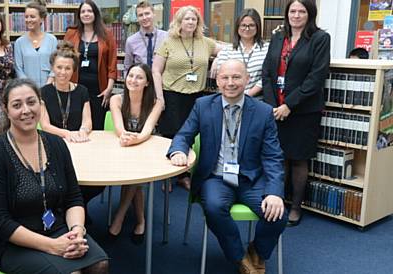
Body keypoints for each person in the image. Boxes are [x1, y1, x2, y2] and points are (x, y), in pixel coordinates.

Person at [0, 78, 109, 274]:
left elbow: (73, 197)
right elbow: (0, 222)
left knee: (100, 266)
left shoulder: (56, 144)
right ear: (6, 110)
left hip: (56, 226)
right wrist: (52, 246)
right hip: (12, 239)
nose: (26, 110)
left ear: (41, 104)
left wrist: (77, 231)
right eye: (17, 105)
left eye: (31, 102)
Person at [168, 60, 286, 274]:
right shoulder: (203, 105)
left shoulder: (263, 112)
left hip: (251, 178)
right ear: (217, 81)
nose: (230, 83)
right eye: (225, 78)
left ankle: (257, 251)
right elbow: (184, 135)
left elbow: (273, 157)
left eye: (236, 77)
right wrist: (178, 151)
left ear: (247, 79)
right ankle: (239, 257)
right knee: (213, 208)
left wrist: (275, 192)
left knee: (278, 213)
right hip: (216, 177)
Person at [262, 0, 330, 226]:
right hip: (275, 109)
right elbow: (267, 73)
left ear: (310, 14)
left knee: (299, 159)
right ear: (287, 13)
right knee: (278, 157)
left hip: (303, 111)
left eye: (302, 11)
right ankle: (277, 201)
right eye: (293, 11)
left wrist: (289, 105)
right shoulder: (278, 37)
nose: (297, 15)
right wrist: (272, 104)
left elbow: (316, 77)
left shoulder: (320, 39)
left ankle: (296, 207)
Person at [152, 5, 221, 191]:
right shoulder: (168, 42)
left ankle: (184, 175)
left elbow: (228, 51)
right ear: (179, 22)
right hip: (171, 94)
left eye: (194, 19)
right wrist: (160, 98)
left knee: (190, 136)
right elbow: (156, 70)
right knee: (170, 135)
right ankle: (166, 175)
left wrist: (217, 62)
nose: (190, 22)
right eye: (187, 19)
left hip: (196, 96)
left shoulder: (205, 42)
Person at [107, 64, 163, 244]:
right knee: (135, 180)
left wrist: (134, 140)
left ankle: (119, 217)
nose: (133, 80)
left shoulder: (156, 103)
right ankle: (140, 221)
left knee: (134, 175)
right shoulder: (116, 99)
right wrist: (125, 137)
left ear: (147, 82)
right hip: (123, 146)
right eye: (131, 76)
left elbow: (147, 132)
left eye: (139, 77)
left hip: (146, 147)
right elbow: (118, 128)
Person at [64, 0, 118, 131]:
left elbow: (112, 63)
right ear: (79, 15)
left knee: (98, 124)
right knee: (77, 124)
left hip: (99, 89)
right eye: (83, 11)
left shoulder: (107, 34)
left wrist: (109, 88)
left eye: (89, 11)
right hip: (76, 86)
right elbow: (64, 59)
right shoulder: (71, 33)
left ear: (95, 14)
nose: (86, 14)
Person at [39, 41, 92, 143]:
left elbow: (87, 121)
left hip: (78, 140)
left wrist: (83, 131)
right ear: (52, 68)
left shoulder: (82, 91)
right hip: (53, 141)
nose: (63, 72)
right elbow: (45, 126)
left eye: (68, 68)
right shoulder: (43, 92)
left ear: (73, 70)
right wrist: (66, 133)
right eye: (59, 67)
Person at [214, 8, 268, 99]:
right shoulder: (226, 51)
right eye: (243, 25)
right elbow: (222, 77)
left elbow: (266, 76)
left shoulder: (267, 49)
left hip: (257, 100)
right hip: (231, 99)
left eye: (251, 25)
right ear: (237, 27)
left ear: (258, 27)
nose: (247, 29)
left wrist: (249, 94)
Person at [13, 0, 58, 87]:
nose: (28, 20)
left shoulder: (52, 40)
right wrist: (30, 87)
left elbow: (55, 65)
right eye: (26, 17)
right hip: (27, 89)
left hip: (50, 87)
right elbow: (18, 69)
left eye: (32, 17)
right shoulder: (19, 42)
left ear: (41, 18)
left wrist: (48, 85)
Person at [123, 1, 168, 70]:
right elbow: (127, 67)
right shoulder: (131, 41)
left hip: (162, 79)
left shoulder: (166, 37)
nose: (144, 18)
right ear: (137, 18)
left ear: (153, 14)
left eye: (147, 13)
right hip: (141, 79)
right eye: (140, 15)